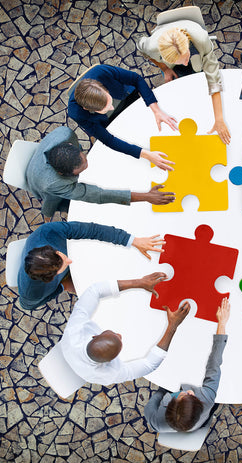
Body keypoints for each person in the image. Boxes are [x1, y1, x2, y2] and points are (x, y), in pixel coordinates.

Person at [60, 273, 190, 386]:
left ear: (93, 337)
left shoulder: (74, 332)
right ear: (110, 362)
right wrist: (172, 326)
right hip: (71, 360)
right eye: (119, 338)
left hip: (70, 353)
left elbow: (94, 290)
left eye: (113, 333)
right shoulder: (108, 374)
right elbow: (150, 365)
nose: (119, 334)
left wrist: (140, 282)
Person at [25, 126, 175, 218]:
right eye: (80, 171)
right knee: (56, 201)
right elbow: (98, 195)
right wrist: (146, 196)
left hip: (42, 156)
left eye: (84, 159)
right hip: (39, 183)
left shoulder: (65, 133)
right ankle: (48, 211)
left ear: (70, 145)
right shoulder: (53, 183)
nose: (87, 166)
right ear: (62, 174)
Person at [17, 221, 165, 311]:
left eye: (62, 256)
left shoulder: (47, 231)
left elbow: (92, 230)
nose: (69, 261)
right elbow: (28, 305)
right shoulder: (31, 292)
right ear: (51, 278)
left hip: (81, 255)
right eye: (63, 265)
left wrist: (133, 241)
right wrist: (63, 287)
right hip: (69, 279)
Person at [137, 20, 231, 145]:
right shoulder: (150, 46)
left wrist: (219, 119)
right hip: (171, 65)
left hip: (197, 53)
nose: (186, 63)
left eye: (186, 57)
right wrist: (165, 68)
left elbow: (214, 80)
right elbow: (143, 51)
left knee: (200, 72)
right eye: (180, 61)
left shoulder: (202, 40)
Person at [144, 298, 230, 433]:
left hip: (186, 414)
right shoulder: (207, 398)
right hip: (198, 422)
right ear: (199, 404)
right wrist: (222, 323)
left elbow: (154, 400)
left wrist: (164, 389)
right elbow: (214, 363)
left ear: (169, 406)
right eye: (192, 396)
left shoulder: (157, 422)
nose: (188, 391)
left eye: (181, 395)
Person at [68, 64, 177, 170]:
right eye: (105, 108)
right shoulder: (76, 114)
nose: (111, 107)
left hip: (126, 97)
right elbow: (108, 139)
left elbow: (136, 79)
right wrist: (146, 155)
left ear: (104, 89)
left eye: (109, 101)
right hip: (109, 121)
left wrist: (156, 110)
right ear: (88, 109)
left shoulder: (101, 71)